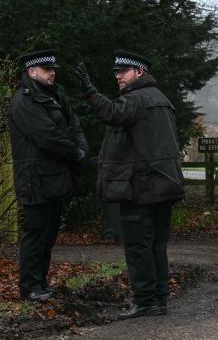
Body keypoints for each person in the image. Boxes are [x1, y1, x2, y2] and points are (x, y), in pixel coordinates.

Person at [74, 50, 185, 320]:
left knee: (138, 246)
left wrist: (90, 91)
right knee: (156, 245)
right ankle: (158, 299)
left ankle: (146, 300)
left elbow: (111, 113)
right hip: (163, 184)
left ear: (139, 73)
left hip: (142, 187)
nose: (118, 77)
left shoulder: (137, 99)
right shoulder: (160, 99)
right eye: (115, 73)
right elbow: (140, 144)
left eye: (123, 72)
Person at [7, 49, 88, 302]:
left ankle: (40, 283)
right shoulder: (23, 101)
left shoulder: (54, 97)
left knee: (48, 235)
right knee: (36, 234)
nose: (52, 73)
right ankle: (30, 287)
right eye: (47, 70)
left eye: (53, 69)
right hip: (36, 180)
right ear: (32, 72)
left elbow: (73, 125)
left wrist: (81, 148)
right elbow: (47, 137)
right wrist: (75, 153)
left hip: (53, 178)